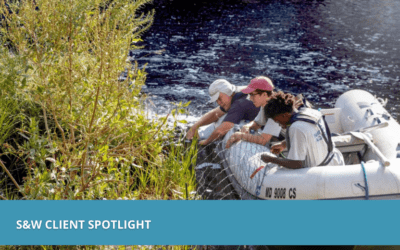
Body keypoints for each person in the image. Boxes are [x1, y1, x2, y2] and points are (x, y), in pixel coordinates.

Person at [260, 91, 344, 169]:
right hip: (335, 161)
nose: (279, 125)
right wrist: (283, 144)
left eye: (277, 121)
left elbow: (296, 164)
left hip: (322, 172)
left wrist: (271, 159)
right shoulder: (310, 112)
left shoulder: (296, 128)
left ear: (284, 115)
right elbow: (309, 136)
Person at [186, 79, 260, 146]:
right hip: (257, 120)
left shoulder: (239, 103)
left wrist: (205, 142)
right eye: (216, 100)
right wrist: (194, 127)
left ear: (227, 92)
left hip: (264, 127)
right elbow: (215, 113)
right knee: (222, 117)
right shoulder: (234, 93)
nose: (219, 102)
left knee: (228, 124)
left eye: (219, 98)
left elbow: (221, 131)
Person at [225, 76, 281, 148]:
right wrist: (247, 126)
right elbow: (258, 123)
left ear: (264, 94)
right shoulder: (266, 104)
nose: (250, 99)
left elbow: (263, 140)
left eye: (252, 95)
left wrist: (240, 135)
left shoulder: (275, 109)